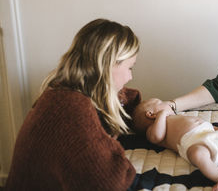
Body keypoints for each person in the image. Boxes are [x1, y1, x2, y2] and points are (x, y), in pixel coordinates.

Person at [5, 19, 142, 191]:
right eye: (130, 68)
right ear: (108, 64)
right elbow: (109, 183)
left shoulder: (64, 92)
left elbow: (120, 102)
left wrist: (142, 109)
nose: (130, 77)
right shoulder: (70, 109)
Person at [132, 98, 218, 191]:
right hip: (196, 144)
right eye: (160, 102)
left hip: (212, 135)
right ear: (150, 114)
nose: (166, 103)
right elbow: (157, 137)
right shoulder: (154, 128)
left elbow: (202, 123)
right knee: (197, 154)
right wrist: (161, 115)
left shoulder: (175, 117)